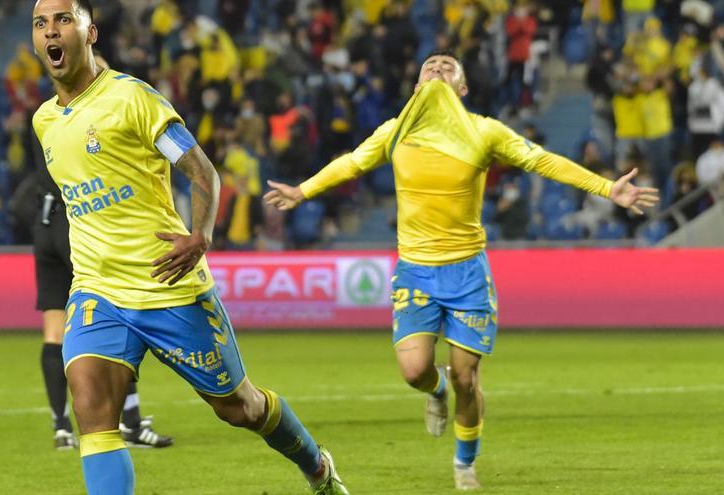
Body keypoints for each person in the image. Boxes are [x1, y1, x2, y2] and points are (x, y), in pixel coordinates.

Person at [265, 50, 660, 491]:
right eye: (429, 67)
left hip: (467, 273)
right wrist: (303, 190)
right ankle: (436, 392)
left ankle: (464, 463)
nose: (436, 69)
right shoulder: (395, 133)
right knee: (415, 371)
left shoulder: (483, 131)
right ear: (417, 87)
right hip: (415, 271)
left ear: (462, 88)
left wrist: (607, 188)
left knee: (468, 380)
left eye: (447, 67)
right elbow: (353, 162)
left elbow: (542, 160)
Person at [29, 2, 348, 494]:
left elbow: (202, 171)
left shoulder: (133, 98)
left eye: (64, 19)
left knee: (239, 407)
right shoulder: (44, 121)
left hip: (168, 284)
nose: (52, 31)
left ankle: (316, 466)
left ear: (90, 32)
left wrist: (201, 236)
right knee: (93, 413)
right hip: (98, 289)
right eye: (41, 23)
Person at [33, 138, 173, 450]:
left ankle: (61, 427)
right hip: (77, 223)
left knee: (54, 331)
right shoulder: (82, 115)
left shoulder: (41, 118)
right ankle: (130, 422)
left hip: (43, 224)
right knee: (118, 314)